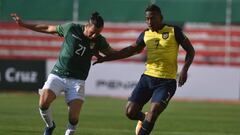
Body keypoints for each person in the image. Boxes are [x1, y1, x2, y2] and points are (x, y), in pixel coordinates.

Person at [93, 4, 195, 135]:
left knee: (153, 114)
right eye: (147, 19)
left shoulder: (174, 31)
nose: (149, 22)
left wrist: (185, 70)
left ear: (161, 17)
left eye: (152, 18)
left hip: (166, 82)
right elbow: (130, 50)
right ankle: (143, 118)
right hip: (147, 78)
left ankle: (147, 122)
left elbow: (190, 51)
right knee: (130, 112)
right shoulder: (146, 34)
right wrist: (105, 58)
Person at [11, 12, 115, 135]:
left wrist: (128, 52)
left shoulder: (99, 41)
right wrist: (24, 25)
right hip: (58, 74)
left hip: (77, 80)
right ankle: (50, 125)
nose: (94, 35)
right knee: (43, 102)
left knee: (73, 118)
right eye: (93, 32)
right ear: (87, 26)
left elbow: (112, 53)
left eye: (98, 33)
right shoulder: (71, 28)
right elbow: (48, 28)